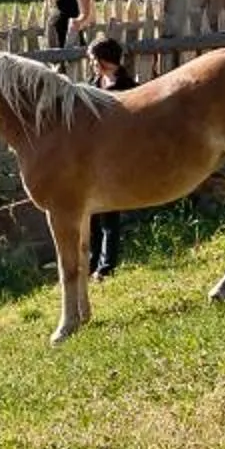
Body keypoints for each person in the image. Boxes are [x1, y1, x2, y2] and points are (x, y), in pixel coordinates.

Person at [85, 37, 138, 278]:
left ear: (105, 61)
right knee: (93, 214)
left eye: (94, 60)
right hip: (94, 156)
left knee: (109, 215)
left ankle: (106, 267)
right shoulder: (94, 83)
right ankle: (92, 262)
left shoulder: (128, 86)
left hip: (116, 156)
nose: (92, 65)